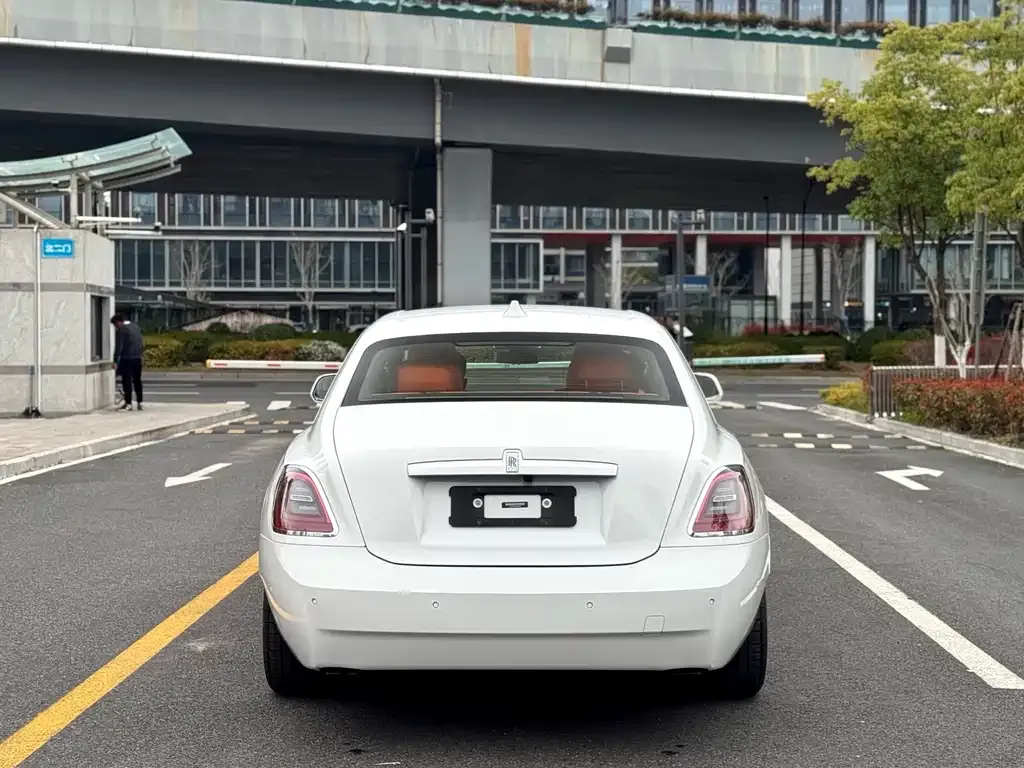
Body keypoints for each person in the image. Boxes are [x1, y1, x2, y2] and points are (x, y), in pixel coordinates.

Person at [111, 314, 144, 410]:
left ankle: (128, 403)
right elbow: (141, 342)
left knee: (127, 381)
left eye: (115, 325)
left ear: (118, 322)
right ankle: (140, 402)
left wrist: (115, 360)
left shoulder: (122, 330)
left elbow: (119, 346)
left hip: (127, 358)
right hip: (138, 358)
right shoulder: (136, 327)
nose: (115, 327)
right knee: (137, 381)